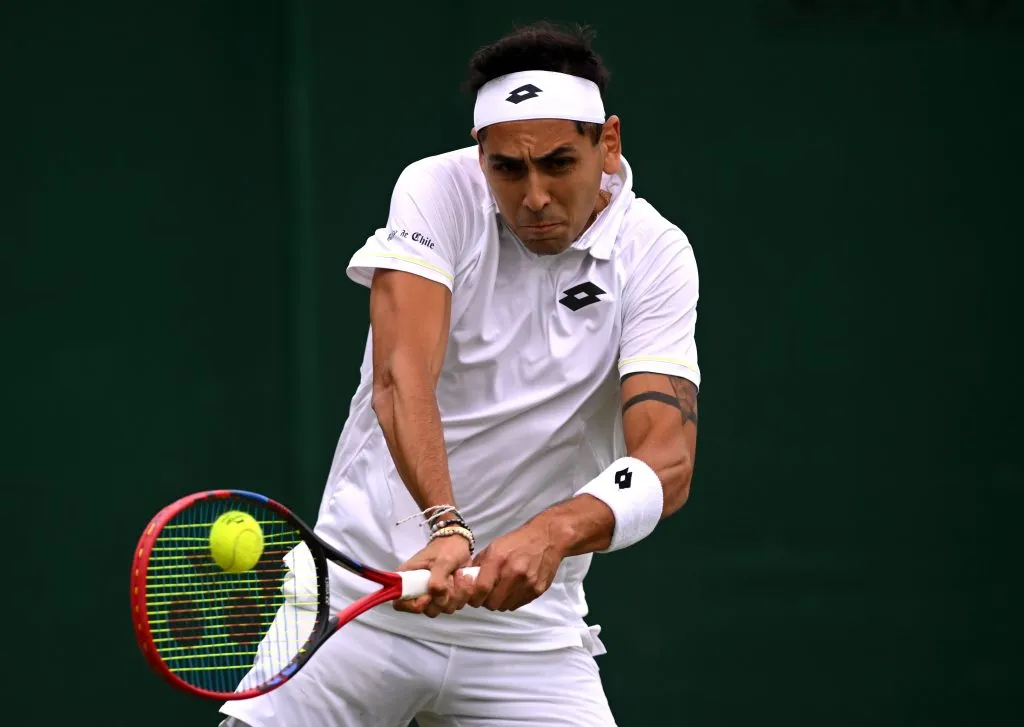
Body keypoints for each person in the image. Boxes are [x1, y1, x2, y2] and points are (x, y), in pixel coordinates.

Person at [219, 20, 700, 727]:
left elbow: (667, 459)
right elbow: (399, 376)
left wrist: (553, 532)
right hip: (361, 595)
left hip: (528, 637)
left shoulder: (656, 254)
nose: (534, 194)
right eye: (508, 168)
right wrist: (446, 526)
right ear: (481, 158)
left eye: (559, 163)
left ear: (609, 143)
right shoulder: (434, 190)